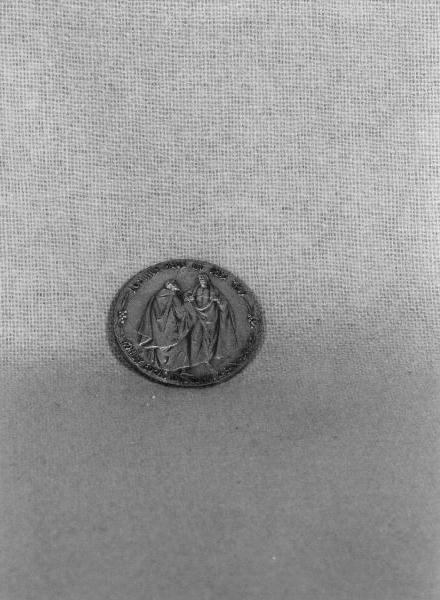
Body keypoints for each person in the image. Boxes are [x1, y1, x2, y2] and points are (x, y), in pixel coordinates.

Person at [137, 281, 192, 371]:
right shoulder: (173, 296)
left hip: (157, 329)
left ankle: (158, 366)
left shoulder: (156, 296)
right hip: (170, 328)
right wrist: (186, 300)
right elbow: (180, 311)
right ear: (172, 287)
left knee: (161, 348)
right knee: (174, 347)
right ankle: (171, 368)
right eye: (175, 287)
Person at [189, 273, 238, 367]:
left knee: (210, 339)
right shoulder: (195, 290)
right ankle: (194, 360)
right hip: (197, 317)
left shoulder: (214, 291)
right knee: (195, 338)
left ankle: (207, 360)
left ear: (207, 279)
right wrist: (188, 298)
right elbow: (186, 297)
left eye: (203, 277)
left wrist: (218, 300)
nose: (201, 279)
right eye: (200, 278)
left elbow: (224, 304)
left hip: (211, 318)